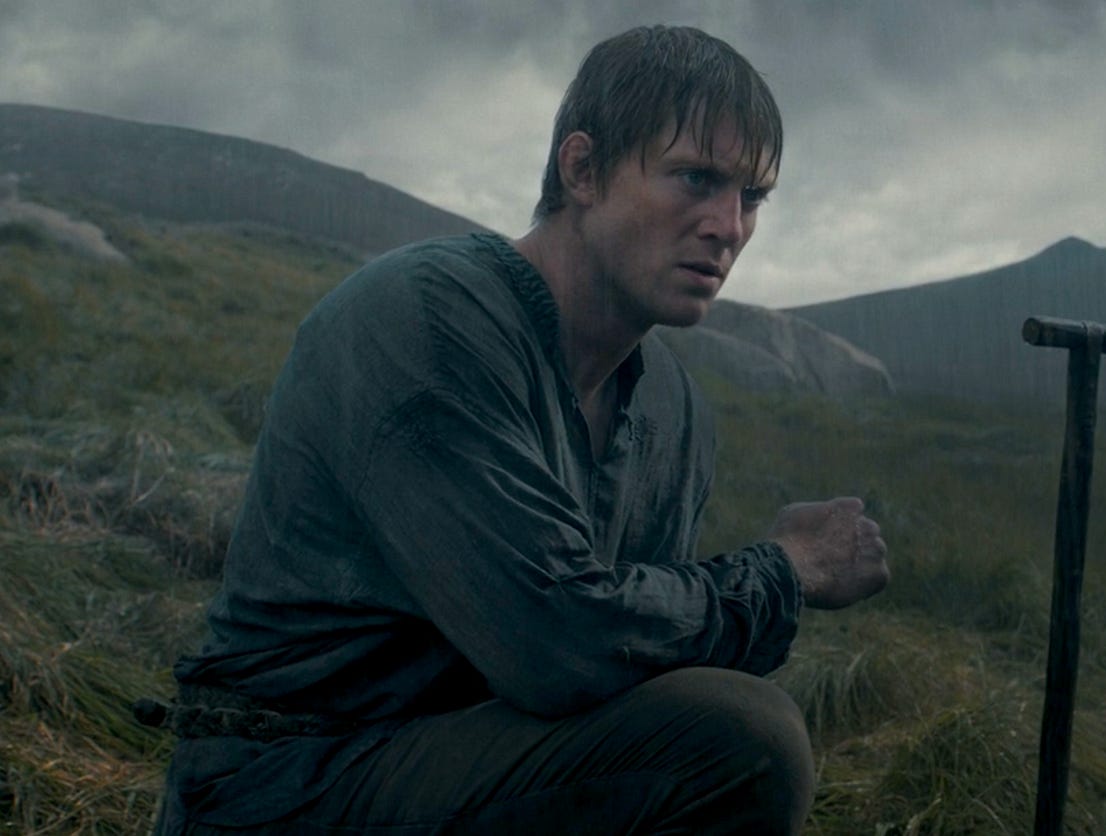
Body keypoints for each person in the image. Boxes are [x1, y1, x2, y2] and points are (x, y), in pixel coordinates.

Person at [150, 24, 888, 835]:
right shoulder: (425, 319)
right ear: (583, 169)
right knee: (741, 739)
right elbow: (560, 646)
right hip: (288, 781)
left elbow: (639, 663)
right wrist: (782, 571)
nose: (729, 225)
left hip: (472, 762)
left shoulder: (674, 411)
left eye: (752, 197)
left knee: (706, 721)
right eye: (695, 178)